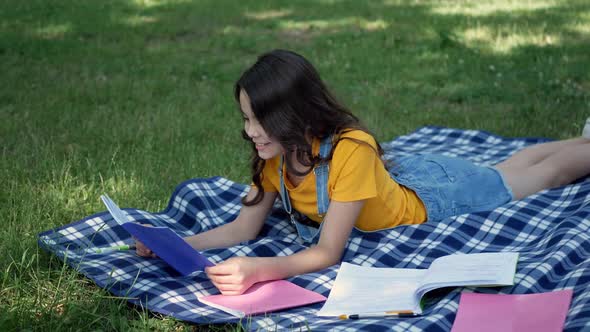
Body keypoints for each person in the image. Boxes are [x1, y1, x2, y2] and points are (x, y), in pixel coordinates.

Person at [136, 49, 590, 295]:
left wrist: (261, 270)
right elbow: (243, 225)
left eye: (258, 119)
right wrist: (174, 244)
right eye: (246, 118)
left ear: (292, 115)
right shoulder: (276, 153)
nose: (250, 131)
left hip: (434, 197)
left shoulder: (350, 149)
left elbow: (328, 251)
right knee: (507, 166)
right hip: (404, 177)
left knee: (535, 178)